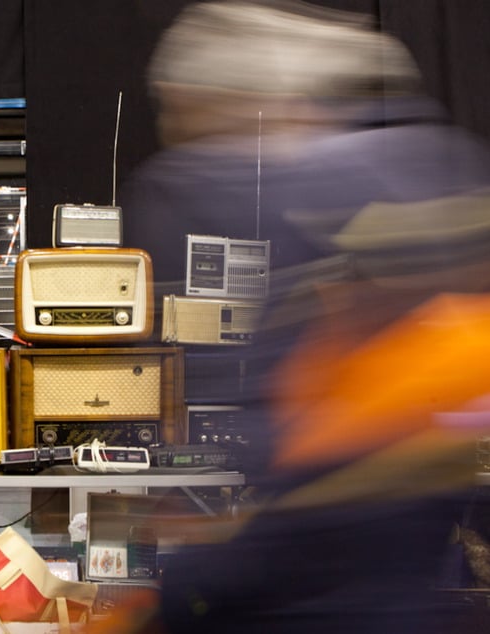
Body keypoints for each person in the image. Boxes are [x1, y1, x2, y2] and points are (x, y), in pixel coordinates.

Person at [108, 1, 490, 631]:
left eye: (189, 111)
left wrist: (172, 600)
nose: (183, 134)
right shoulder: (398, 179)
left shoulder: (345, 197)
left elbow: (325, 508)